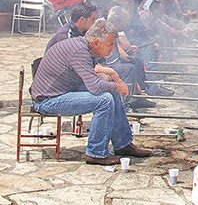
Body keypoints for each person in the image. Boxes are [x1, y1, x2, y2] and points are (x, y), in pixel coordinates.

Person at [30, 20, 152, 165]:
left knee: (110, 94)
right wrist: (117, 86)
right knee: (104, 100)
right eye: (110, 44)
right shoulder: (79, 50)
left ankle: (123, 144)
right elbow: (95, 86)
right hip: (48, 100)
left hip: (64, 91)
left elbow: (93, 69)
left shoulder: (83, 45)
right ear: (95, 43)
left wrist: (112, 74)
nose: (112, 49)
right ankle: (96, 153)